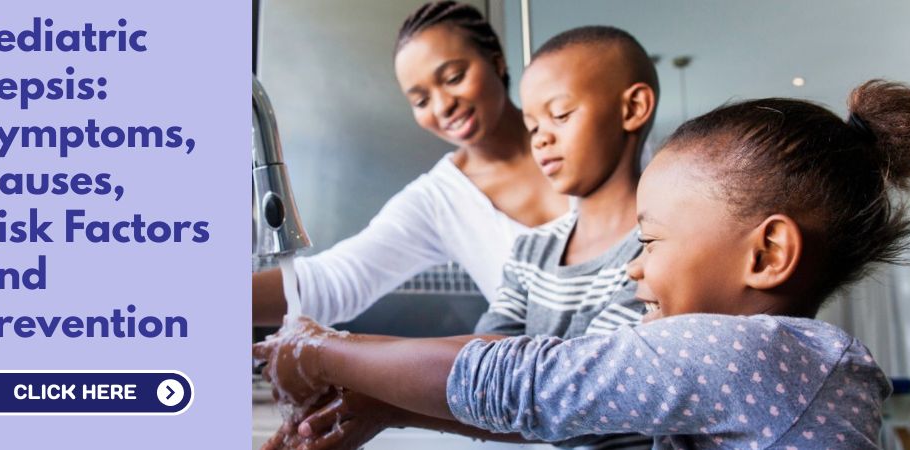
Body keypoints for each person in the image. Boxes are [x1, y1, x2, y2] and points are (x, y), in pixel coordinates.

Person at [256, 79, 910, 448]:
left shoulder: (752, 354)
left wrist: (324, 350)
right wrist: (387, 407)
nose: (634, 268)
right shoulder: (765, 364)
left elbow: (529, 382)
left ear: (766, 254)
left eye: (651, 242)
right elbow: (584, 415)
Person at [267, 25, 661, 450]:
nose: (542, 138)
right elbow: (485, 374)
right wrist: (379, 403)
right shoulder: (531, 253)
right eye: (532, 125)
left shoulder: (657, 252)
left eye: (560, 116)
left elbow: (565, 390)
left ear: (633, 107)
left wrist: (329, 353)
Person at [252, 0, 568, 327]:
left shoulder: (578, 134)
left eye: (454, 77)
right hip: (553, 375)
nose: (443, 106)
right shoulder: (439, 200)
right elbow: (335, 281)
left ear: (497, 63)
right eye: (421, 100)